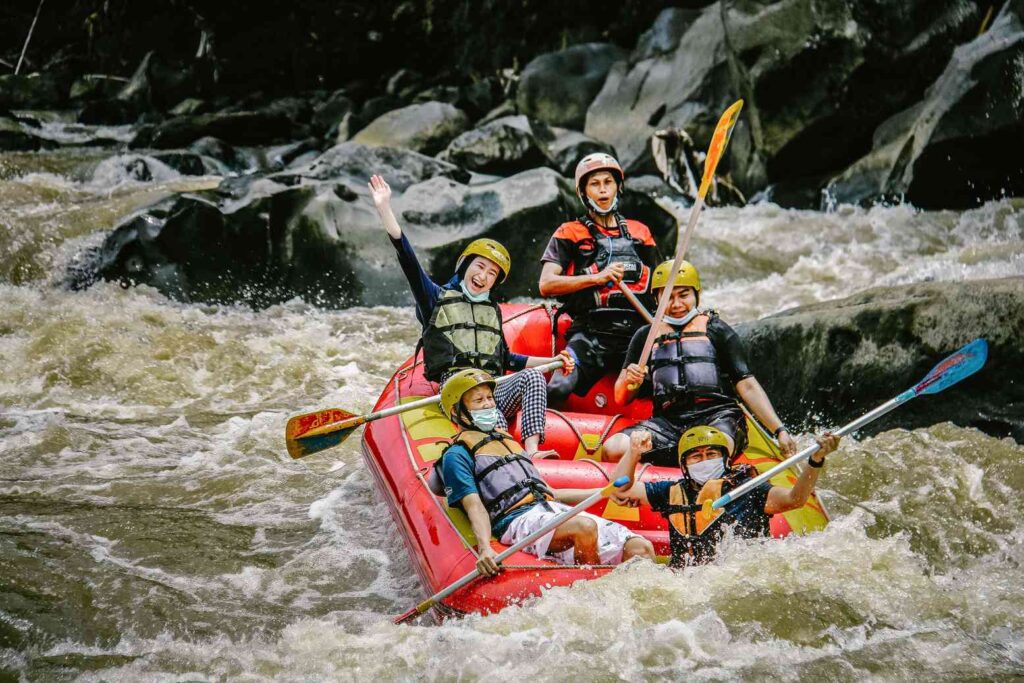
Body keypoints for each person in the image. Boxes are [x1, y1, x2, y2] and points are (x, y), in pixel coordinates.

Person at [369, 175, 574, 456]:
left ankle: (531, 450)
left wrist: (553, 362)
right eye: (479, 267)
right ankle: (508, 453)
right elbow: (408, 259)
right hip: (458, 389)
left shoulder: (491, 311)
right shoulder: (435, 298)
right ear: (465, 265)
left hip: (491, 387)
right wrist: (384, 209)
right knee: (481, 397)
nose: (483, 276)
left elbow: (507, 360)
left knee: (533, 378)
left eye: (492, 274)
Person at [432, 369, 656, 575]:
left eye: (490, 398)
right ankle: (594, 593)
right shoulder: (457, 455)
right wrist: (484, 549)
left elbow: (552, 494)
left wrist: (605, 492)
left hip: (549, 508)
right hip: (516, 521)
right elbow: (474, 505)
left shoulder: (507, 441)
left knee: (641, 547)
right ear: (458, 412)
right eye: (478, 401)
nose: (488, 405)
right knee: (583, 528)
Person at [600, 259, 798, 466]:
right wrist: (632, 381)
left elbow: (747, 385)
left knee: (709, 451)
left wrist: (780, 430)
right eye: (668, 297)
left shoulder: (716, 330)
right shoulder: (645, 336)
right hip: (669, 423)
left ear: (697, 294)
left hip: (718, 418)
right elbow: (620, 397)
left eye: (684, 295)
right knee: (613, 449)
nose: (676, 304)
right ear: (656, 299)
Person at [610, 425, 840, 566]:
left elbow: (795, 499)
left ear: (726, 460)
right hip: (688, 580)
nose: (705, 460)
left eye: (711, 454)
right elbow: (621, 488)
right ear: (685, 465)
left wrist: (816, 460)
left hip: (734, 578)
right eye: (696, 457)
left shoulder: (748, 489)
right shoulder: (670, 492)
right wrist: (633, 452)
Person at [538, 153, 661, 405]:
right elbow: (546, 284)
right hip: (591, 334)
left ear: (618, 186)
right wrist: (597, 277)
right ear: (584, 192)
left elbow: (663, 285)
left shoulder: (641, 232)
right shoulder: (569, 232)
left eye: (608, 182)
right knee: (559, 387)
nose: (603, 190)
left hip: (638, 336)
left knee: (671, 384)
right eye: (595, 184)